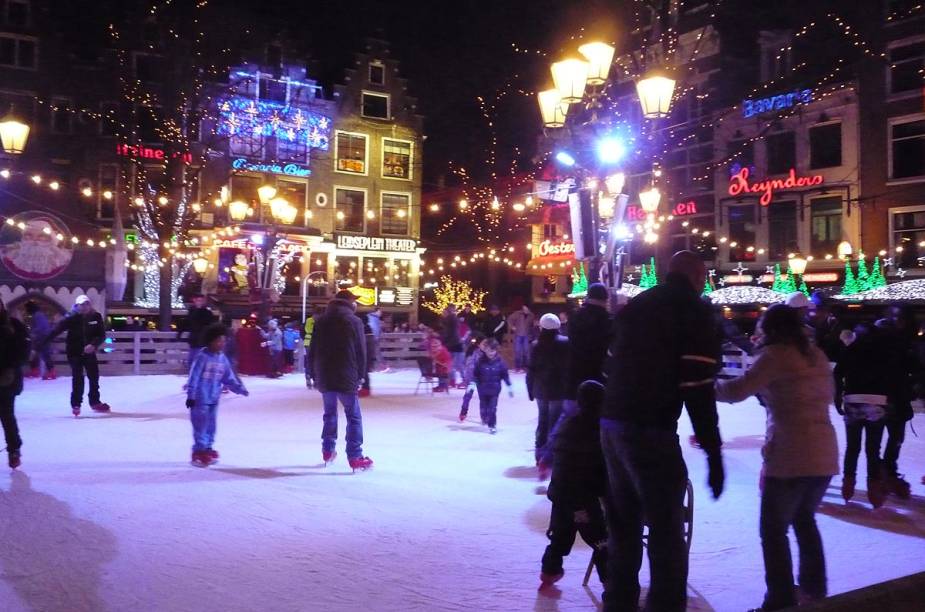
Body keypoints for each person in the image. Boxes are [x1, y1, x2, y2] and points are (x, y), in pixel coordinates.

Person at [600, 252, 724, 612]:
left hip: (612, 425)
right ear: (698, 275)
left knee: (623, 524)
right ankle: (665, 605)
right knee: (666, 528)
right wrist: (713, 452)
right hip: (650, 428)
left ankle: (618, 602)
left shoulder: (637, 305)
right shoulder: (694, 311)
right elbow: (698, 386)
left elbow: (611, 361)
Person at [716, 304, 838, 610]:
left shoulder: (774, 356)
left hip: (790, 453)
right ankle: (814, 589)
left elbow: (736, 391)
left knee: (773, 531)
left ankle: (780, 599)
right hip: (824, 452)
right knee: (804, 520)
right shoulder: (816, 355)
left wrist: (702, 386)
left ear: (768, 329)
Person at [539, 380, 609, 589]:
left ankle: (549, 572)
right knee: (601, 540)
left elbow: (552, 447)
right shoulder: (599, 429)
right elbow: (601, 465)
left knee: (560, 536)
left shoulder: (568, 424)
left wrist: (545, 461)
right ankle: (611, 585)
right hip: (583, 498)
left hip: (561, 495)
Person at [833, 321, 905, 508]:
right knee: (873, 449)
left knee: (852, 447)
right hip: (877, 403)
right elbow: (893, 378)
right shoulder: (884, 352)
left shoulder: (852, 349)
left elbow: (837, 373)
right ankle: (874, 491)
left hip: (853, 401)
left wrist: (838, 396)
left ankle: (848, 486)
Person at [307, 290, 373, 471]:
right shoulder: (354, 321)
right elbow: (361, 351)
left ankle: (328, 450)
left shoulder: (320, 321)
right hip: (346, 374)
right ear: (349, 303)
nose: (356, 305)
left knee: (329, 414)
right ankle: (355, 456)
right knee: (353, 416)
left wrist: (312, 373)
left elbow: (312, 349)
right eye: (354, 301)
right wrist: (361, 375)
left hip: (325, 375)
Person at [186, 323, 248, 467]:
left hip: (214, 397)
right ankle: (199, 451)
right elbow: (193, 377)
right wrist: (191, 395)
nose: (221, 344)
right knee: (200, 425)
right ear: (210, 341)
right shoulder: (202, 357)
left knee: (211, 425)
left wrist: (239, 388)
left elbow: (228, 378)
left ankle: (208, 447)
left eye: (223, 341)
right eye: (218, 341)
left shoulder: (222, 358)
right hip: (200, 398)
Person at [874, 305, 917, 499]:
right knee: (879, 438)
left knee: (896, 437)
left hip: (897, 397)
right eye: (896, 319)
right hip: (884, 396)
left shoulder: (907, 341)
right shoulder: (886, 340)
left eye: (902, 319)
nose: (898, 323)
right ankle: (882, 473)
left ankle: (888, 470)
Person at [40, 295, 109, 416]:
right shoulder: (70, 318)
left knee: (94, 378)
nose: (84, 307)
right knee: (78, 379)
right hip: (74, 353)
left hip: (90, 353)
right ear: (77, 306)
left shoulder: (96, 317)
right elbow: (55, 331)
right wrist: (41, 343)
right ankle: (76, 404)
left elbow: (101, 334)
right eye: (82, 305)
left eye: (87, 304)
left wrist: (93, 345)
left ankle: (95, 402)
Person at [527, 313, 568, 467]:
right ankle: (551, 455)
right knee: (555, 422)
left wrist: (530, 389)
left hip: (540, 389)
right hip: (558, 389)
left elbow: (531, 369)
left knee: (542, 421)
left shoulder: (536, 345)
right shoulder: (566, 343)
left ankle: (539, 452)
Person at [0, 299, 29, 468]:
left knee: (7, 416)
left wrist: (11, 368)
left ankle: (14, 450)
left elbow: (24, 349)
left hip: (7, 380)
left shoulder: (14, 325)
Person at [467, 338, 512, 434]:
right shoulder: (480, 361)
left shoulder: (500, 362)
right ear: (485, 350)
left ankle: (492, 425)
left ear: (496, 350)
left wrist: (509, 386)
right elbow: (476, 374)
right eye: (488, 350)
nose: (491, 353)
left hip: (494, 391)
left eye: (493, 350)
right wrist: (472, 383)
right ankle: (483, 417)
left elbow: (505, 375)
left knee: (492, 408)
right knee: (483, 406)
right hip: (482, 389)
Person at [177, 293, 215, 369]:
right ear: (194, 301)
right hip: (193, 340)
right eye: (198, 300)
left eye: (201, 300)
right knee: (191, 360)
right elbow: (187, 323)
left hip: (202, 340)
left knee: (198, 360)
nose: (199, 302)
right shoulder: (192, 311)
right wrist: (180, 332)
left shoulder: (207, 313)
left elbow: (210, 325)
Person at [24, 300, 55, 379]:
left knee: (43, 354)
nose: (26, 311)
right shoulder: (38, 314)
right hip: (42, 337)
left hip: (42, 338)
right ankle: (36, 371)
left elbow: (41, 327)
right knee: (36, 354)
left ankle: (50, 372)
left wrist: (32, 333)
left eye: (26, 309)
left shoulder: (37, 315)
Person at [440, 305, 465, 387]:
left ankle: (463, 380)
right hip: (452, 344)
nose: (442, 314)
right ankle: (453, 380)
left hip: (455, 344)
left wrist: (444, 341)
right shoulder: (448, 321)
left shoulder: (450, 321)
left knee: (457, 365)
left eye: (444, 312)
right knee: (452, 364)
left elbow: (450, 334)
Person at [507, 305, 535, 371]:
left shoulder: (531, 315)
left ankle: (526, 367)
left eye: (526, 309)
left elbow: (532, 325)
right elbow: (509, 319)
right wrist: (512, 327)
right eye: (524, 309)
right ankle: (517, 367)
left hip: (526, 335)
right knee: (517, 351)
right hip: (518, 334)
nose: (525, 310)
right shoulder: (517, 314)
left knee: (526, 351)